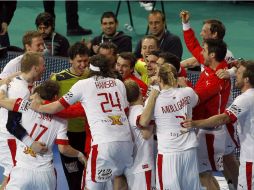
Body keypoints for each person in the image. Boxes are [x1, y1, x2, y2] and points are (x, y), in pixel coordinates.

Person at [30, 54, 133, 190]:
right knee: (119, 178)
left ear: (90, 69)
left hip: (103, 144)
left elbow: (58, 107)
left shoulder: (83, 84)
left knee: (90, 185)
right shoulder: (119, 83)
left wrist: (38, 106)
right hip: (126, 142)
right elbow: (125, 110)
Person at [180, 10, 239, 189]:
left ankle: (240, 185)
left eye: (204, 31)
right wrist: (185, 25)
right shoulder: (211, 59)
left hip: (221, 120)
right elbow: (193, 46)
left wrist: (230, 72)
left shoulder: (221, 62)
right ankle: (238, 185)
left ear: (214, 35)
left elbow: (240, 66)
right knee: (223, 162)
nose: (201, 33)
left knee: (216, 166)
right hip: (211, 121)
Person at [0, 80, 86, 190]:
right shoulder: (62, 119)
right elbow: (63, 149)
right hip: (46, 174)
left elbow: (11, 124)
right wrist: (79, 154)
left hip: (21, 170)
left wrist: (3, 85)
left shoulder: (27, 106)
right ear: (56, 97)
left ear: (38, 94)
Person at [183, 60, 254, 190]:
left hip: (251, 159)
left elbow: (223, 118)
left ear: (247, 79)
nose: (234, 76)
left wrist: (194, 123)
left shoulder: (245, 98)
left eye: (238, 73)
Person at [140, 63, 202, 190]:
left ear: (160, 79)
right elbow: (197, 101)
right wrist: (184, 85)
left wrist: (153, 92)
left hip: (169, 153)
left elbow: (143, 122)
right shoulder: (187, 92)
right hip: (189, 151)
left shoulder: (154, 100)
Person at [0, 52, 46, 190]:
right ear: (35, 68)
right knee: (15, 176)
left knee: (11, 176)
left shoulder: (24, 82)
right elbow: (12, 125)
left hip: (13, 138)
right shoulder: (21, 90)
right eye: (43, 65)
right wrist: (32, 144)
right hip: (9, 138)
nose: (45, 68)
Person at [50, 42, 89, 190]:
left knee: (90, 178)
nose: (83, 65)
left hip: (88, 135)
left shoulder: (92, 77)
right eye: (79, 61)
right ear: (70, 60)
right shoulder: (58, 79)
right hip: (67, 136)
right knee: (73, 178)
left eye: (86, 61)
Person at [124, 79, 154, 189]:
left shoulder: (127, 112)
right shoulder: (140, 111)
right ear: (140, 92)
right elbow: (146, 135)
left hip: (132, 167)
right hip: (143, 165)